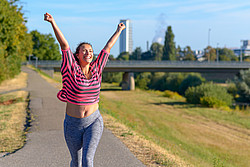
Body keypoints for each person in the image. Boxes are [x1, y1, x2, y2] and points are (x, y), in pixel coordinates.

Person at [44, 12, 125, 167]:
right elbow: (64, 46)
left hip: (93, 121)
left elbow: (107, 47)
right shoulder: (70, 68)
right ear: (77, 54)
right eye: (84, 50)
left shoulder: (97, 68)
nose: (88, 53)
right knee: (76, 162)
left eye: (90, 51)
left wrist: (118, 31)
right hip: (72, 123)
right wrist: (52, 22)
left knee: (88, 160)